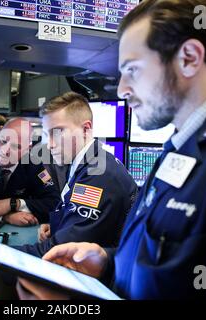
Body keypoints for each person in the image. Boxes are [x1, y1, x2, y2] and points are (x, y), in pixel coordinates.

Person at [16, 0, 206, 299]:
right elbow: (167, 264)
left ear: (189, 58)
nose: (123, 89)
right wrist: (109, 263)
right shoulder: (180, 148)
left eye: (132, 70)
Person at [15, 91, 137, 258]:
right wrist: (58, 226)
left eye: (57, 133)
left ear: (86, 129)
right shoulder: (88, 163)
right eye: (46, 135)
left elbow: (61, 253)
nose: (49, 145)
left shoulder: (98, 176)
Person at [0, 117, 60, 226]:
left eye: (15, 146)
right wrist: (5, 217)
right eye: (3, 141)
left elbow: (54, 203)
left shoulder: (33, 165)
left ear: (28, 149)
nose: (4, 151)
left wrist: (14, 203)